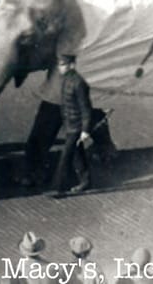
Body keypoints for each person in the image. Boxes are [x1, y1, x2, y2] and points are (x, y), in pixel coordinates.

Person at [49, 54, 93, 197]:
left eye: (63, 65)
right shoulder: (67, 80)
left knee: (65, 156)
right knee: (76, 153)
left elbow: (86, 107)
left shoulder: (79, 83)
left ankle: (58, 188)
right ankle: (85, 181)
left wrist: (85, 130)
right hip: (70, 124)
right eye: (59, 65)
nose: (60, 67)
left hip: (76, 127)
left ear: (71, 65)